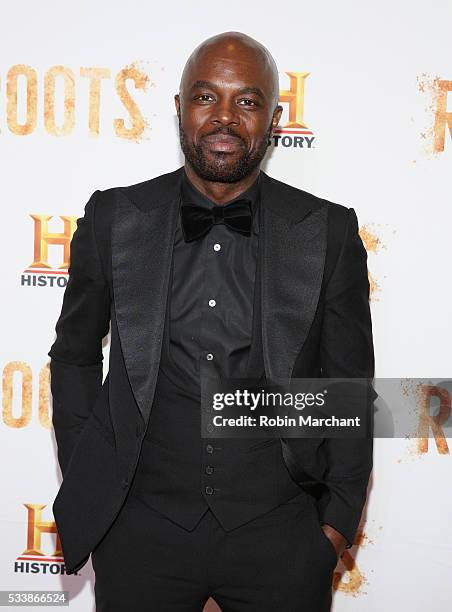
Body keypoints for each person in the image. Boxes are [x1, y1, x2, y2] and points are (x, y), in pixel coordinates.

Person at [48, 31, 375, 611]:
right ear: (179, 107)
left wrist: (335, 525)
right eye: (206, 97)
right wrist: (88, 479)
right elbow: (73, 355)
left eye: (246, 102)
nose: (224, 117)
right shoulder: (113, 218)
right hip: (139, 535)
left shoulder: (326, 231)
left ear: (273, 117)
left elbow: (348, 385)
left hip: (283, 537)